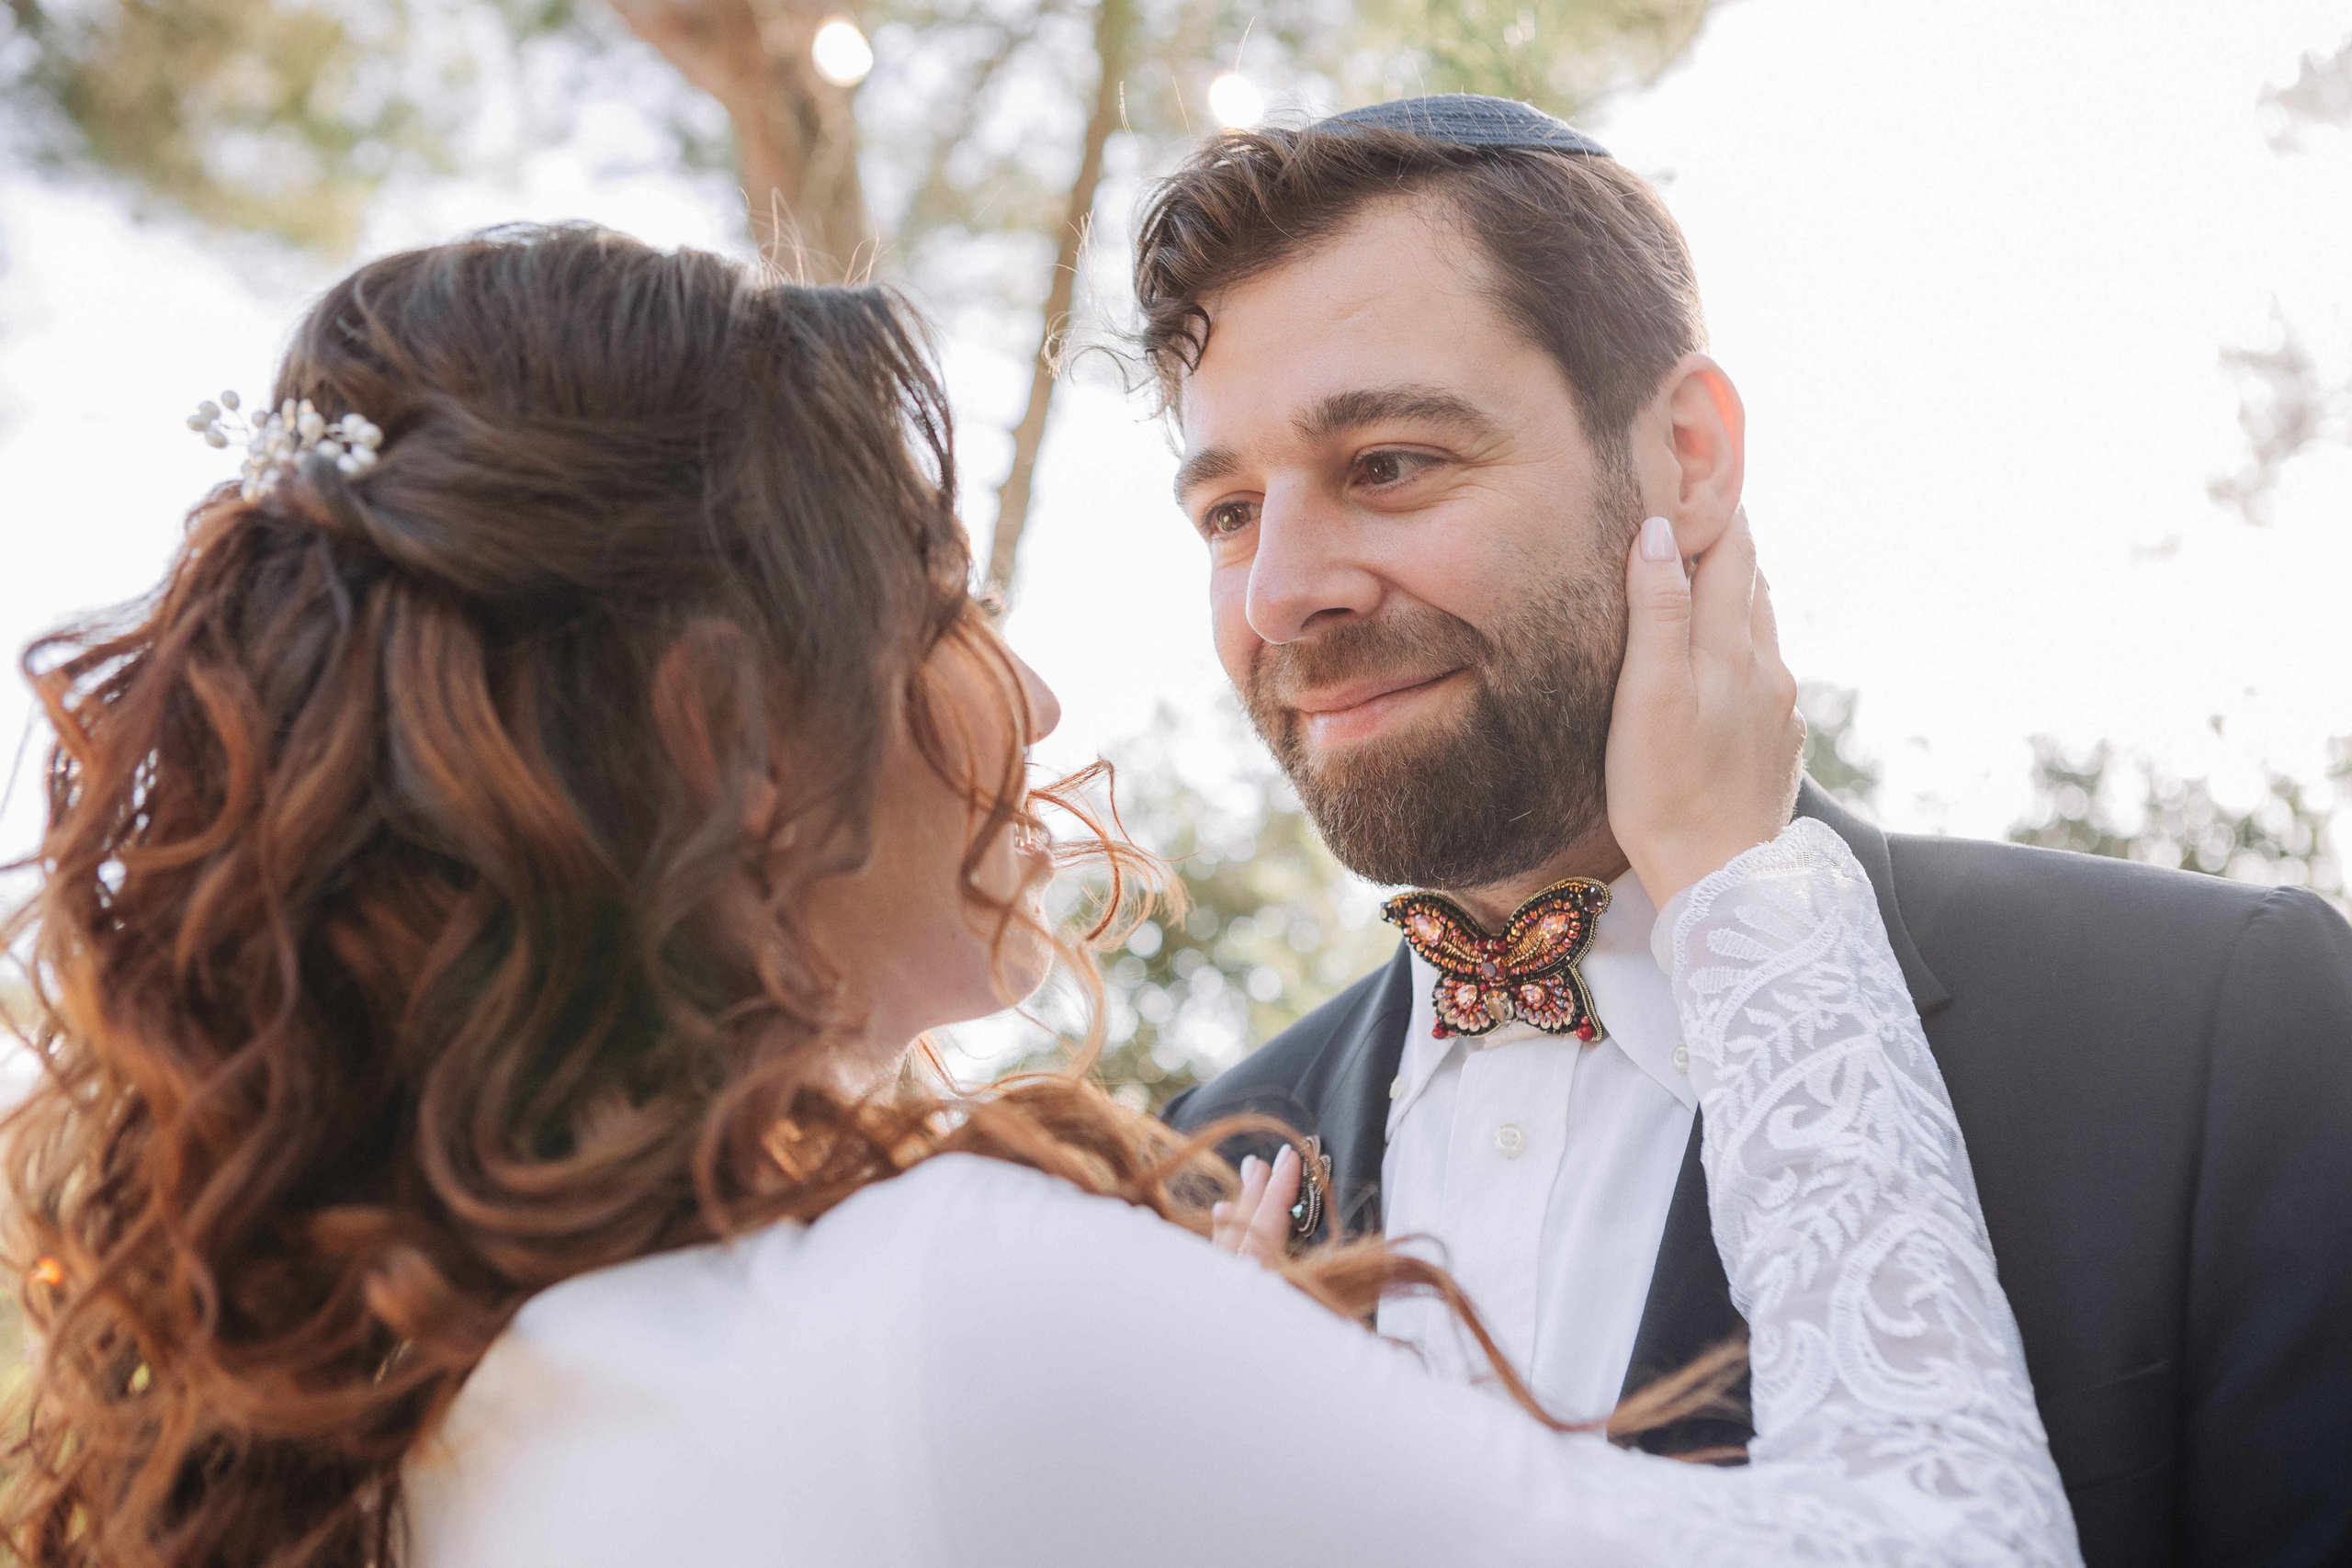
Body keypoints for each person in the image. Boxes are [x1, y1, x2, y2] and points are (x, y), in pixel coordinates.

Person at [0, 224, 2075, 1566]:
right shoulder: (941, 1312)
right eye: (944, 604)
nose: (1043, 684)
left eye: (1388, 468)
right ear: (731, 730)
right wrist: (1743, 889)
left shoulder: (411, 1395)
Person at [1146, 95, 2352, 1568]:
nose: (1280, 594)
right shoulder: (1188, 1181)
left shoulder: (2215, 1028)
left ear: (1688, 456)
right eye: (1226, 512)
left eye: (1388, 463)